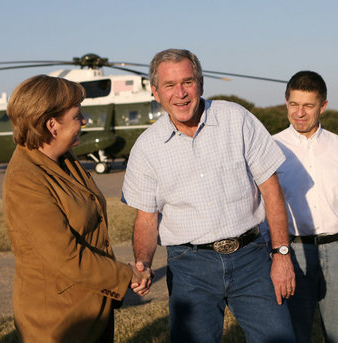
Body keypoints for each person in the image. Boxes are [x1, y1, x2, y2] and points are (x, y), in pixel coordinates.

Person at [121, 49, 295, 342]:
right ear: (155, 92)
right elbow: (146, 219)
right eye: (169, 85)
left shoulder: (235, 118)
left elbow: (271, 189)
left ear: (200, 83)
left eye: (187, 82)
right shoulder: (146, 148)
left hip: (251, 259)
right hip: (190, 268)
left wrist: (281, 254)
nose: (180, 93)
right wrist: (144, 261)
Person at [3, 75, 151, 342]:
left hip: (90, 307)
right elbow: (67, 257)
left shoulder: (63, 160)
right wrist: (127, 275)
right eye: (76, 115)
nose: (84, 121)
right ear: (52, 125)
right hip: (59, 323)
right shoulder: (25, 179)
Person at [262, 71, 338, 342]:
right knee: (295, 333)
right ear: (286, 102)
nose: (300, 113)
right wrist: (272, 256)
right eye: (294, 104)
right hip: (293, 253)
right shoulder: (271, 148)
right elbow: (262, 210)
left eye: (308, 106)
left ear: (322, 106)